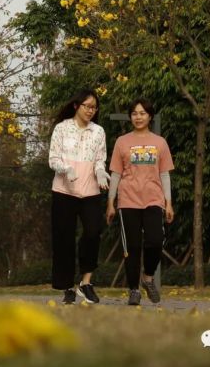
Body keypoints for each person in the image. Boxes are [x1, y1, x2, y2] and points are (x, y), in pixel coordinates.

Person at [106, 97, 174, 306]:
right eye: (134, 113)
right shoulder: (122, 142)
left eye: (142, 113)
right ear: (130, 117)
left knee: (156, 240)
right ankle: (134, 289)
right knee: (132, 247)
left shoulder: (160, 143)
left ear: (150, 116)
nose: (138, 117)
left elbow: (164, 174)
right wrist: (111, 202)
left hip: (154, 199)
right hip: (128, 201)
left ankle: (148, 277)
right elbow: (116, 174)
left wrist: (168, 202)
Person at [48, 89, 109, 305]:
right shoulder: (62, 129)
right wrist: (65, 169)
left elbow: (100, 159)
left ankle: (86, 282)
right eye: (87, 106)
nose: (91, 111)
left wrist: (101, 172)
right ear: (77, 106)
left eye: (94, 107)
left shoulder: (99, 131)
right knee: (63, 239)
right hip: (64, 191)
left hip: (90, 191)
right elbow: (52, 159)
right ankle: (67, 287)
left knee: (93, 232)